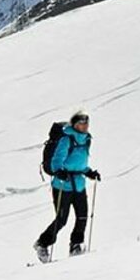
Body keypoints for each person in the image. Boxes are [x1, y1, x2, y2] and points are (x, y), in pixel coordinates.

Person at [35, 111, 100, 262]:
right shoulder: (66, 139)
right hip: (62, 185)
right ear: (75, 124)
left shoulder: (86, 140)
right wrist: (59, 171)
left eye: (87, 123)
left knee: (82, 216)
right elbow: (57, 159)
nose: (85, 126)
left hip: (78, 184)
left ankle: (76, 245)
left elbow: (80, 162)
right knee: (62, 219)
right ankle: (42, 243)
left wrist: (89, 172)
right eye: (82, 123)